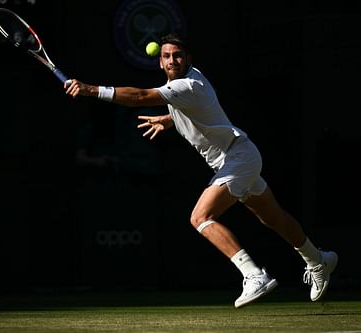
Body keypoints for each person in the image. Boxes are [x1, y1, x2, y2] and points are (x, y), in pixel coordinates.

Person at [64, 33, 338, 308]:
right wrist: (169, 119)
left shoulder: (188, 85)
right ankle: (318, 259)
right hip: (239, 156)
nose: (173, 60)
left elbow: (139, 96)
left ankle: (254, 275)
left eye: (178, 55)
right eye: (167, 56)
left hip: (237, 157)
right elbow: (195, 112)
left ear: (188, 59)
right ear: (160, 61)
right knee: (273, 217)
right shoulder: (186, 87)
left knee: (200, 217)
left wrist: (90, 90)